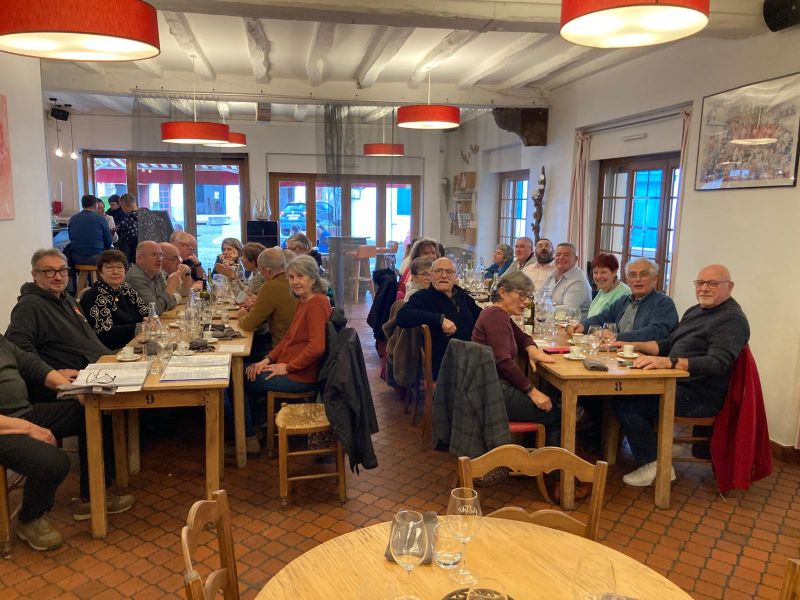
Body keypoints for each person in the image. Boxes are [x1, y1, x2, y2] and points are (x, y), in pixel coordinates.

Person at [612, 264, 749, 487]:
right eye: (700, 283)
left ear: (729, 287)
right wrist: (635, 345)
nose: (704, 288)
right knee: (623, 394)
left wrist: (669, 362)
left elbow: (717, 363)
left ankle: (655, 465)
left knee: (628, 402)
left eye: (713, 283)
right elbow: (670, 342)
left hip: (699, 395)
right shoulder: (696, 310)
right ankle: (657, 446)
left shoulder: (731, 319)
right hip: (677, 382)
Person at [0, 335, 134, 550]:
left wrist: (74, 391)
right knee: (53, 462)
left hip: (22, 414)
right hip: (5, 428)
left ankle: (91, 497)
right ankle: (31, 518)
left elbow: (32, 365)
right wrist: (29, 428)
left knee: (93, 411)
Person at [472, 272, 561, 445]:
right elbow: (503, 361)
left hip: (489, 387)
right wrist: (532, 391)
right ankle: (546, 462)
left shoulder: (497, 314)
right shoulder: (496, 316)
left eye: (529, 296)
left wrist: (532, 349)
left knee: (548, 400)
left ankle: (529, 457)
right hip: (493, 393)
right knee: (554, 414)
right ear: (503, 293)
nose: (527, 301)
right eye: (521, 295)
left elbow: (522, 337)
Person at [244, 256, 332, 425]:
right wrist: (267, 360)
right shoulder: (303, 302)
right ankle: (258, 422)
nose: (295, 282)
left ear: (313, 278)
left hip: (302, 376)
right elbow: (287, 339)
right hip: (292, 368)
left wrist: (287, 368)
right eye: (291, 277)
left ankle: (248, 433)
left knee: (239, 377)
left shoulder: (317, 303)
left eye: (300, 276)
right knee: (247, 369)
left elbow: (317, 347)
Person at [6, 249, 111, 388]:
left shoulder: (67, 298)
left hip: (102, 367)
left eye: (62, 270)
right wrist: (52, 374)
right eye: (49, 271)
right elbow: (17, 348)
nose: (58, 277)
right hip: (76, 382)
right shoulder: (29, 305)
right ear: (35, 275)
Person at [396, 257, 481, 379]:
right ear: (431, 276)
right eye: (438, 271)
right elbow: (402, 316)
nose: (444, 276)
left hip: (469, 355)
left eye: (449, 272)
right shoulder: (424, 297)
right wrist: (439, 319)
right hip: (446, 364)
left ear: (455, 277)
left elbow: (481, 316)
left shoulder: (463, 297)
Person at [572, 257, 678, 342]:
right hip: (618, 354)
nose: (637, 279)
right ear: (627, 280)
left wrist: (616, 336)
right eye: (632, 275)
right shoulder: (624, 301)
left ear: (654, 279)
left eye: (643, 275)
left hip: (646, 358)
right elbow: (603, 317)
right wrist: (582, 325)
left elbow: (655, 332)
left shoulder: (664, 303)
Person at [79, 250, 150, 350]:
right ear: (100, 272)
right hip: (112, 349)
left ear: (125, 271)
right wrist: (139, 327)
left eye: (119, 267)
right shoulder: (95, 295)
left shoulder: (126, 288)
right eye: (109, 267)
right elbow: (104, 332)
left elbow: (145, 312)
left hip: (134, 343)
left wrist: (149, 319)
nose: (115, 272)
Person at [237, 248, 298, 342]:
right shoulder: (293, 280)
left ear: (266, 270)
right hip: (296, 340)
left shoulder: (270, 286)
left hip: (281, 344)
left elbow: (249, 325)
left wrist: (242, 316)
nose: (261, 274)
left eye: (260, 271)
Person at [124, 241, 180, 313]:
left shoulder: (157, 273)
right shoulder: (135, 278)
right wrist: (170, 289)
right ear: (140, 259)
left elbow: (170, 302)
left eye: (160, 255)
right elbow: (153, 310)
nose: (159, 259)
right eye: (154, 255)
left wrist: (165, 300)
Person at [541, 243, 592, 318]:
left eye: (566, 255)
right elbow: (539, 295)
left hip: (573, 323)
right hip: (550, 319)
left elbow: (568, 310)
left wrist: (543, 307)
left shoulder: (578, 281)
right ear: (554, 258)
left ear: (576, 259)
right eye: (558, 255)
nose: (561, 257)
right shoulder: (552, 274)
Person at [67, 194, 113, 266]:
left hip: (75, 258)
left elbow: (71, 238)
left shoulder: (73, 219)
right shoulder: (101, 219)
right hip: (97, 258)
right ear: (95, 205)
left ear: (82, 205)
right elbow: (108, 242)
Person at [586, 253, 630, 318]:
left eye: (603, 272)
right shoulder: (603, 290)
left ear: (614, 272)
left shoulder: (625, 294)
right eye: (595, 272)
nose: (598, 277)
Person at [115, 193, 140, 264]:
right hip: (146, 249)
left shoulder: (128, 218)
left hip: (132, 252)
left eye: (121, 205)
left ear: (123, 204)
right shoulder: (145, 216)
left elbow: (128, 237)